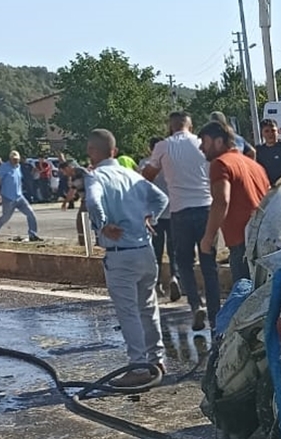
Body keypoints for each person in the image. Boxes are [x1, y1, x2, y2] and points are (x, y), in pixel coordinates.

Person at [83, 129, 169, 387]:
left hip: (120, 255)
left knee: (128, 312)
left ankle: (138, 366)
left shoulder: (95, 176)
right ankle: (157, 360)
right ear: (114, 151)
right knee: (148, 307)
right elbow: (161, 198)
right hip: (145, 251)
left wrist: (103, 224)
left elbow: (94, 202)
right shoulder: (132, 174)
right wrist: (150, 217)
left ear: (92, 152)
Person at [142, 111, 219, 332]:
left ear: (171, 126)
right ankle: (215, 316)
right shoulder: (202, 144)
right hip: (206, 208)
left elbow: (147, 175)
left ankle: (195, 305)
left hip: (180, 211)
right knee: (209, 264)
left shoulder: (163, 146)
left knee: (183, 262)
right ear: (190, 126)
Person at [198, 120, 271, 286]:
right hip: (262, 239)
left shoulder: (221, 163)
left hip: (241, 243)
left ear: (218, 141)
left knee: (243, 299)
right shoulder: (254, 165)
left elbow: (221, 201)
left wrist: (208, 238)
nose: (201, 148)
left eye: (204, 142)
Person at [140, 136, 180, 302]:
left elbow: (140, 191)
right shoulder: (172, 163)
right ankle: (174, 277)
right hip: (173, 211)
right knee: (173, 250)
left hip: (153, 215)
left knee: (155, 251)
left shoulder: (145, 164)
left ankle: (156, 284)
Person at [0, 151, 41, 242]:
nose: (16, 161)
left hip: (19, 196)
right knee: (5, 217)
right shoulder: (4, 167)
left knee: (31, 214)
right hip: (8, 197)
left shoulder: (18, 167)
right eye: (14, 159)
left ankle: (32, 235)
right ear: (10, 159)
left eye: (17, 159)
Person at [254, 118, 281, 185]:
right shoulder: (258, 151)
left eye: (273, 131)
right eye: (267, 131)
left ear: (277, 132)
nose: (270, 134)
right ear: (262, 133)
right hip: (265, 187)